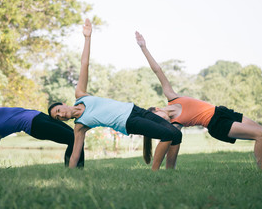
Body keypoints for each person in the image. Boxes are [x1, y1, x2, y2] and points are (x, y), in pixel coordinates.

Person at [48, 19, 182, 171]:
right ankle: (155, 172)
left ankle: (170, 172)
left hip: (134, 109)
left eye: (58, 110)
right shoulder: (79, 127)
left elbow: (84, 64)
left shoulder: (80, 95)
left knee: (176, 134)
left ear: (63, 104)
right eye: (58, 117)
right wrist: (70, 174)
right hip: (128, 122)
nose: (61, 115)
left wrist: (87, 38)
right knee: (166, 134)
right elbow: (75, 155)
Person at [135, 31, 262, 170]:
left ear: (157, 109)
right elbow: (170, 159)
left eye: (156, 118)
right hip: (216, 124)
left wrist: (143, 48)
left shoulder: (171, 96)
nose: (160, 123)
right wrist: (167, 170)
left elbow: (157, 70)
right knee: (260, 135)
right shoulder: (175, 125)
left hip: (221, 111)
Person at [0, 41, 84, 168]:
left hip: (41, 116)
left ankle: (76, 170)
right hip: (35, 126)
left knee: (77, 135)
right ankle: (73, 170)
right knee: (73, 138)